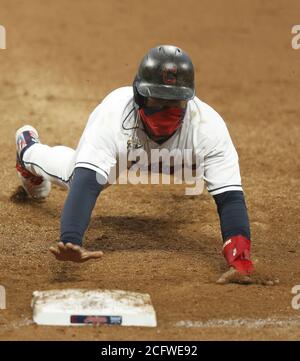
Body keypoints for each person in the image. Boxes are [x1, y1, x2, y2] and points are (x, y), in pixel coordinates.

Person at [13, 45, 254, 284]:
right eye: (158, 99)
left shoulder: (207, 128)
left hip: (184, 159)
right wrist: (71, 239)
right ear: (139, 96)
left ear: (188, 100)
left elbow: (230, 198)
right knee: (73, 176)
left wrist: (240, 260)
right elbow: (86, 185)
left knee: (208, 173)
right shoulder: (114, 116)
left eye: (175, 102)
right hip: (125, 151)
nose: (166, 110)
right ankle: (28, 150)